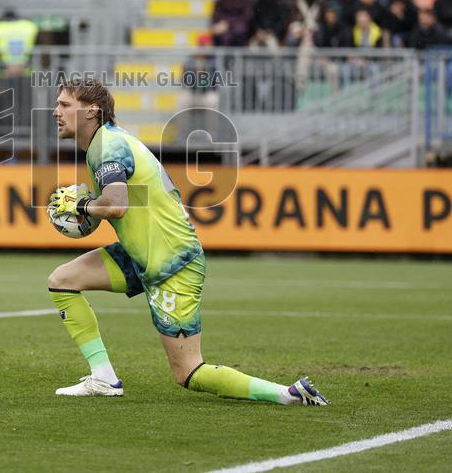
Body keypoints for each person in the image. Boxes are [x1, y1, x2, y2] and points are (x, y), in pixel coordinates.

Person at [46, 76, 329, 404]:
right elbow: (126, 202)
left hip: (172, 263)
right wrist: (90, 210)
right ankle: (104, 379)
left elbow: (118, 205)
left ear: (92, 111)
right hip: (142, 254)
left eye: (65, 105)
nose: (56, 111)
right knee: (63, 281)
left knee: (188, 372)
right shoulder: (104, 144)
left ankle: (289, 394)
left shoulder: (109, 146)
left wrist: (80, 206)